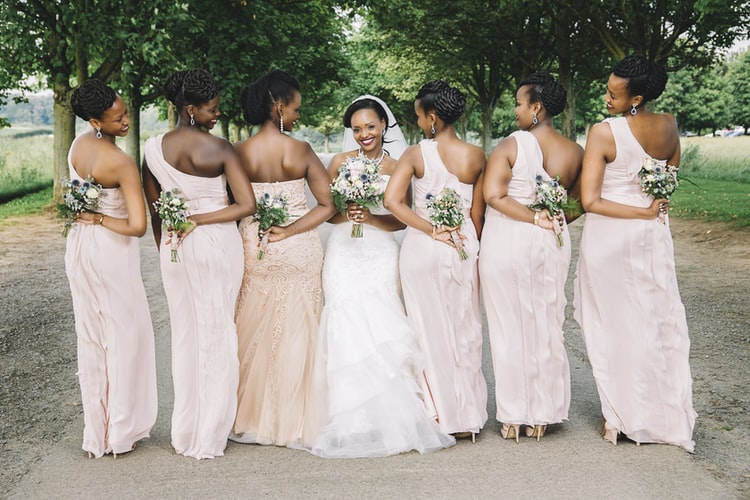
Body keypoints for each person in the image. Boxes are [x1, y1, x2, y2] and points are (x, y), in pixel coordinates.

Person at [311, 96, 455, 458]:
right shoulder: (339, 163)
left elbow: (401, 216)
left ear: (384, 126)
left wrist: (372, 219)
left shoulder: (396, 165)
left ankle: (392, 418)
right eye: (357, 129)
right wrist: (350, 214)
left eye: (370, 127)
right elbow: (329, 212)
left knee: (381, 325)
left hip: (379, 251)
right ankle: (349, 419)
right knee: (344, 321)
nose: (364, 134)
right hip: (344, 251)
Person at [574, 55, 696, 451]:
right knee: (655, 322)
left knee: (611, 324)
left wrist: (641, 209)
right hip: (652, 237)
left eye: (614, 93)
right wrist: (649, 208)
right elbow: (668, 182)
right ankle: (660, 415)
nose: (606, 97)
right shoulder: (670, 125)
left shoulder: (603, 132)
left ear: (636, 98)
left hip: (611, 238)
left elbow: (590, 200)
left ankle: (621, 417)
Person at [142, 68, 255, 460]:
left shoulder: (152, 148)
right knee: (217, 331)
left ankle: (186, 430)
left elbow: (155, 211)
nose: (217, 115)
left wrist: (167, 247)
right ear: (189, 109)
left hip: (175, 247)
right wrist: (201, 219)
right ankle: (211, 432)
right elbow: (246, 205)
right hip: (216, 243)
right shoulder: (221, 149)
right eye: (211, 109)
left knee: (185, 335)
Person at [230, 69, 335, 449]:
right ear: (278, 106)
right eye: (295, 108)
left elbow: (233, 204)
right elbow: (327, 204)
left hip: (254, 245)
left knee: (252, 324)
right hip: (298, 248)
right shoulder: (301, 150)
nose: (298, 116)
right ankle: (295, 416)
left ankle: (250, 415)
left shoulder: (238, 152)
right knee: (299, 329)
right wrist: (291, 230)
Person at [480, 73, 582, 442]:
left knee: (509, 327)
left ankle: (512, 417)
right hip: (551, 242)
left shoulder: (511, 144)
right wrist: (553, 218)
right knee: (545, 323)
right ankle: (543, 414)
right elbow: (580, 201)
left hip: (509, 239)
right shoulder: (574, 151)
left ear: (536, 108)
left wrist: (532, 216)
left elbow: (494, 195)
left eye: (520, 103)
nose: (516, 110)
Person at [384, 80, 488, 441]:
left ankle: (438, 414)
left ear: (432, 118)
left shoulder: (416, 154)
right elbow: (477, 215)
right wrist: (466, 246)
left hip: (424, 249)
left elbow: (392, 202)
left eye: (417, 117)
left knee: (427, 331)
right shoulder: (476, 155)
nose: (416, 124)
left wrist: (430, 229)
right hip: (462, 245)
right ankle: (467, 415)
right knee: (465, 328)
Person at [66, 79, 157, 458]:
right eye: (118, 117)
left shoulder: (77, 146)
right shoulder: (119, 162)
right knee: (123, 336)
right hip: (110, 249)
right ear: (95, 119)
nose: (126, 121)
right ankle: (120, 432)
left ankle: (96, 433)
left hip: (79, 248)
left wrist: (89, 219)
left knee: (92, 335)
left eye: (125, 112)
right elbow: (137, 226)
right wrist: (102, 220)